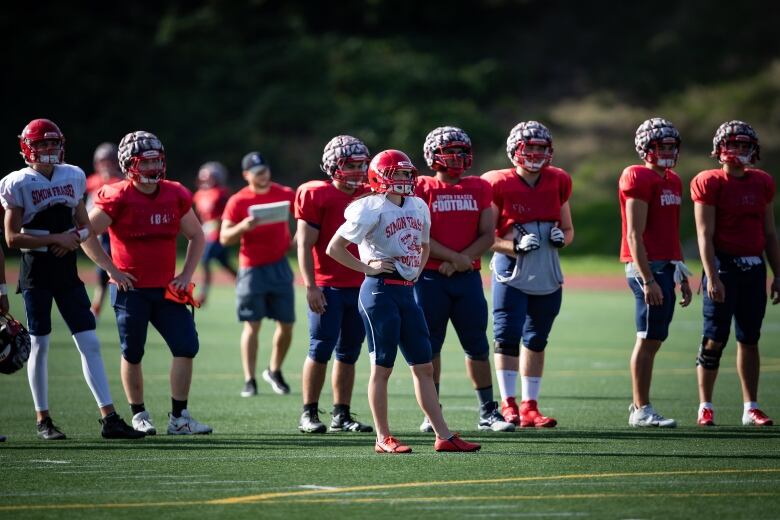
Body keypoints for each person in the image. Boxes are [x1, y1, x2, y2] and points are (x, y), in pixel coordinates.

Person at [327, 149, 480, 453]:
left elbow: (423, 246)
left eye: (405, 173)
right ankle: (383, 437)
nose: (401, 179)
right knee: (382, 368)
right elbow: (335, 247)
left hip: (406, 292)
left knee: (423, 367)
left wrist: (416, 272)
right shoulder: (369, 207)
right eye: (395, 173)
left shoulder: (418, 205)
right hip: (379, 292)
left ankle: (443, 435)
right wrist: (367, 268)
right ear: (379, 177)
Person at [0, 118, 142, 440]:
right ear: (27, 148)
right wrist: (55, 240)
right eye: (42, 144)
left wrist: (72, 238)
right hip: (36, 269)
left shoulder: (73, 175)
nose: (49, 149)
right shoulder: (17, 182)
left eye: (53, 143)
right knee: (40, 343)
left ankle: (109, 417)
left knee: (89, 341)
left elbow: (85, 227)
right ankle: (43, 419)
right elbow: (11, 238)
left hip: (66, 269)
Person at [81, 130, 212, 436]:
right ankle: (139, 414)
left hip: (168, 287)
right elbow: (85, 233)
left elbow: (197, 235)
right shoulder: (117, 195)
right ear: (129, 164)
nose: (154, 168)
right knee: (133, 352)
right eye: (146, 161)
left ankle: (179, 417)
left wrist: (186, 274)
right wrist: (112, 268)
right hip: (131, 290)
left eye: (157, 161)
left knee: (186, 346)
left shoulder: (175, 193)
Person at [414, 126, 514, 433]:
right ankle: (434, 412)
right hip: (430, 277)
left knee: (476, 346)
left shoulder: (479, 186)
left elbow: (488, 234)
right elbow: (419, 233)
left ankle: (488, 411)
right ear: (433, 155)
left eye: (461, 151)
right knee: (430, 349)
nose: (457, 157)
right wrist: (454, 259)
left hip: (466, 278)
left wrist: (460, 262)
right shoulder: (421, 186)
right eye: (450, 151)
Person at [482, 121, 573, 428]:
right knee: (506, 337)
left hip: (547, 270)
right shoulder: (498, 183)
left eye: (540, 148)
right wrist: (514, 245)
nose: (535, 153)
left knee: (536, 339)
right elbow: (485, 237)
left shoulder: (557, 180)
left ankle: (530, 406)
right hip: (511, 270)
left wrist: (562, 237)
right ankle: (508, 405)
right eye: (529, 147)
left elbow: (569, 229)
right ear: (514, 150)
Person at [690, 120, 780, 427]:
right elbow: (705, 234)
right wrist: (712, 275)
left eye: (745, 145)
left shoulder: (762, 182)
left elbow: (769, 233)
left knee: (750, 339)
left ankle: (750, 406)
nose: (739, 150)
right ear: (719, 149)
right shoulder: (709, 181)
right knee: (714, 338)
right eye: (734, 144)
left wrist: (777, 273)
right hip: (723, 266)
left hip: (753, 268)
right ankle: (705, 405)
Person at [294, 135, 373, 434]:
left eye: (361, 165)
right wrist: (310, 286)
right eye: (351, 165)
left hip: (360, 284)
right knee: (320, 348)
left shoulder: (369, 194)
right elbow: (304, 244)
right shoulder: (316, 194)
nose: (358, 171)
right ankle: (308, 413)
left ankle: (341, 414)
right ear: (333, 166)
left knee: (350, 351)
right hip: (328, 285)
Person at [619, 117, 692, 428]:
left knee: (655, 337)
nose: (666, 150)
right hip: (645, 267)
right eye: (659, 145)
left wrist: (681, 271)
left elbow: (670, 231)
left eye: (670, 145)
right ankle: (641, 408)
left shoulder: (673, 180)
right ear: (644, 148)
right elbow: (635, 234)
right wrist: (647, 278)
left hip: (666, 266)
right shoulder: (637, 176)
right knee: (647, 337)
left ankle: (640, 405)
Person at [220, 151, 296, 397]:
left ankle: (274, 370)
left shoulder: (285, 193)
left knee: (287, 324)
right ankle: (249, 379)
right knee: (252, 325)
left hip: (280, 266)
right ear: (246, 175)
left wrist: (297, 241)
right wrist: (244, 226)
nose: (263, 175)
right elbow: (224, 238)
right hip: (251, 269)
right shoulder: (238, 201)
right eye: (257, 173)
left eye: (265, 170)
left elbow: (305, 220)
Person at [85, 142, 123, 318]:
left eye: (109, 161)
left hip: (113, 234)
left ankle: (97, 309)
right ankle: (96, 308)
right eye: (102, 161)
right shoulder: (92, 181)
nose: (106, 165)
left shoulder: (121, 182)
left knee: (106, 273)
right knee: (102, 273)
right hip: (95, 232)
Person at [192, 161, 236, 306]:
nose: (205, 181)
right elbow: (200, 217)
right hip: (207, 234)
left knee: (205, 260)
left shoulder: (222, 194)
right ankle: (247, 284)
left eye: (209, 178)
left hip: (218, 235)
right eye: (203, 178)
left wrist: (218, 225)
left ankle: (203, 294)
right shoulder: (198, 195)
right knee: (225, 264)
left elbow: (229, 214)